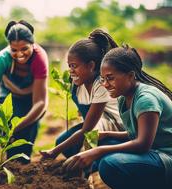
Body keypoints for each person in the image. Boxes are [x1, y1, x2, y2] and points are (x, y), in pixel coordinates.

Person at [63, 45, 172, 189]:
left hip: (165, 156)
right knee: (104, 143)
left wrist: (97, 151)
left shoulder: (146, 99)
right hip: (152, 152)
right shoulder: (124, 97)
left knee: (110, 164)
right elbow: (136, 133)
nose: (105, 84)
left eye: (110, 78)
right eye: (102, 79)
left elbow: (142, 144)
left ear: (131, 76)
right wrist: (107, 134)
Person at [40, 29, 124, 160]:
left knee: (90, 137)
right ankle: (79, 164)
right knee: (64, 141)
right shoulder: (78, 85)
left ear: (91, 65)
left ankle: (86, 171)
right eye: (69, 66)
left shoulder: (101, 85)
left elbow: (88, 129)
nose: (70, 71)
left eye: (74, 66)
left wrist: (54, 151)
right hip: (96, 125)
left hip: (117, 128)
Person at [0, 20, 49, 164]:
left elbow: (40, 102)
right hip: (7, 95)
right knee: (7, 120)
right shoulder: (1, 60)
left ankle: (22, 166)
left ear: (32, 44)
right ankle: (7, 160)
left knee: (27, 133)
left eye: (24, 49)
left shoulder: (39, 58)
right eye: (14, 50)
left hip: (32, 99)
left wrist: (17, 128)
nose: (19, 54)